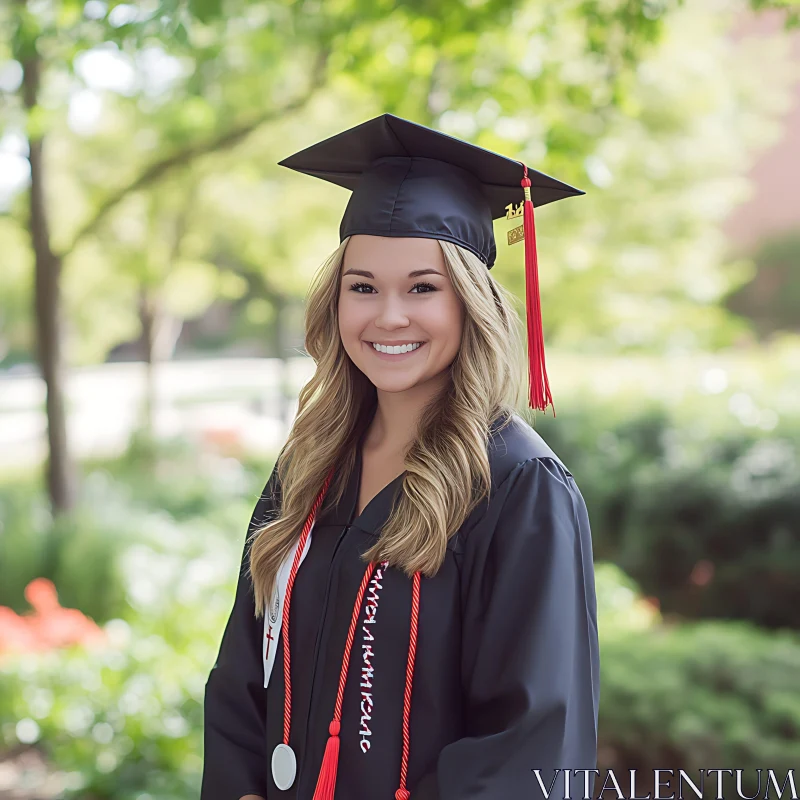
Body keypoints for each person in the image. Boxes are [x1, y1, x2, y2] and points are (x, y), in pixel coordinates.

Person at [201, 113, 599, 800]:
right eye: (363, 287)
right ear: (335, 301)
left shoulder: (517, 486)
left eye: (422, 287)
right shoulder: (309, 468)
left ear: (469, 304)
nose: (388, 317)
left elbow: (530, 740)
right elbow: (242, 675)